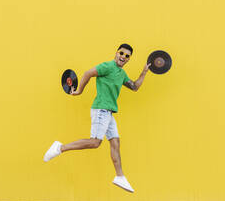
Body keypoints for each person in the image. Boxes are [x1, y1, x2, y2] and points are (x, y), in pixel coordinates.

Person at [43, 44, 151, 193]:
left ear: (129, 59)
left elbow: (134, 87)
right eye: (121, 53)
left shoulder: (121, 73)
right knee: (95, 142)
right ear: (116, 53)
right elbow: (88, 73)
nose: (123, 57)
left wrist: (144, 71)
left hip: (109, 112)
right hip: (101, 109)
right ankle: (59, 148)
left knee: (115, 142)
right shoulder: (107, 66)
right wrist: (79, 91)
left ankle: (120, 176)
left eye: (127, 56)